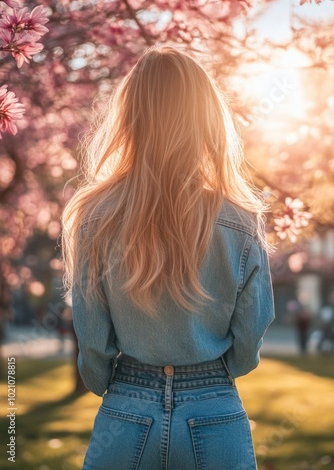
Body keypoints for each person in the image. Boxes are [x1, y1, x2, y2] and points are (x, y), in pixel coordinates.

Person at [61, 46, 275, 469]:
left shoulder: (95, 215)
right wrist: (215, 375)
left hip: (126, 409)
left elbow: (92, 335)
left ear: (130, 117)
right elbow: (251, 333)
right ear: (208, 119)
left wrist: (109, 383)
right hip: (215, 411)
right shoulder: (241, 218)